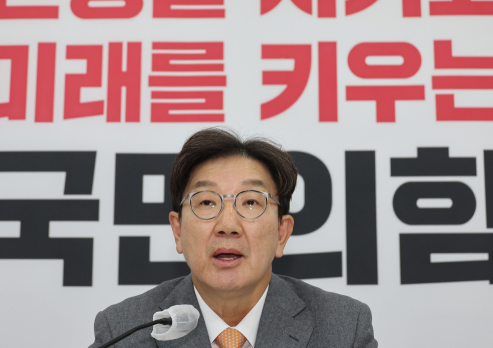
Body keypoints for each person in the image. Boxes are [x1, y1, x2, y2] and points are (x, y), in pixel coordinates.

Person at [89, 128, 378, 348]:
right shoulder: (124, 331)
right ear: (178, 231)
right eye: (206, 202)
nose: (228, 225)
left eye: (251, 202)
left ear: (282, 233)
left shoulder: (344, 329)